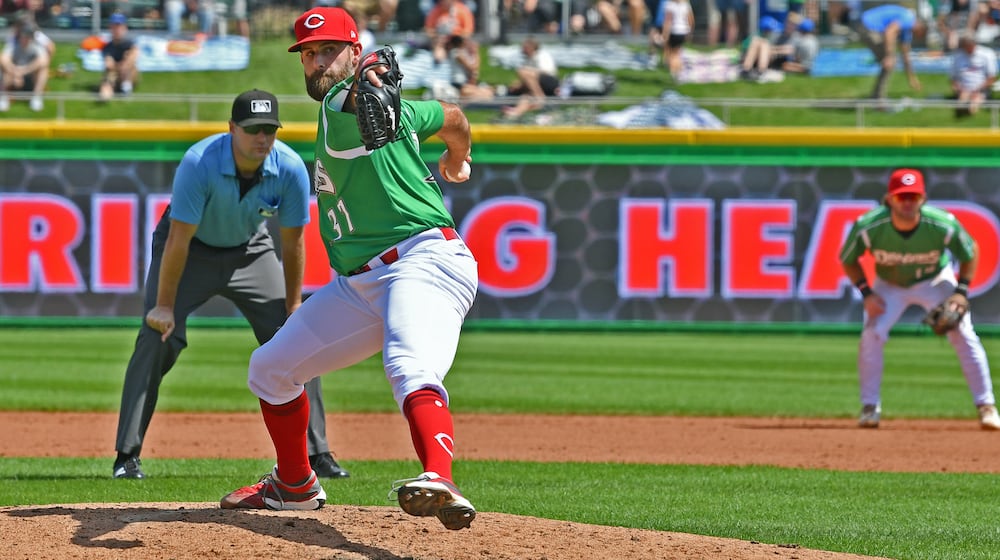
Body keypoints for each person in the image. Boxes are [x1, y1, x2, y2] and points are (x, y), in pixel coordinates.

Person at [220, 7, 479, 532]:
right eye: (309, 53)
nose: (316, 61)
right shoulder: (393, 112)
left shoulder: (349, 100)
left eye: (329, 50)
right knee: (269, 370)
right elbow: (451, 115)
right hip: (358, 284)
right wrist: (458, 154)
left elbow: (359, 97)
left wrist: (365, 85)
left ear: (355, 52)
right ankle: (294, 485)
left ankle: (441, 477)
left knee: (409, 365)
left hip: (423, 262)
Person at [113, 89, 349, 481]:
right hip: (191, 251)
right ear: (231, 129)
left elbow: (292, 241)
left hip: (250, 250)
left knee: (298, 335)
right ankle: (127, 454)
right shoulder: (199, 162)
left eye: (269, 129)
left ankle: (317, 452)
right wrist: (165, 307)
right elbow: (178, 240)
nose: (262, 138)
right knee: (156, 338)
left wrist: (293, 305)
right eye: (253, 128)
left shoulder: (289, 167)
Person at [839, 168, 1000, 431]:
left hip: (934, 280)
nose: (907, 203)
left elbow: (971, 251)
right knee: (872, 334)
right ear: (889, 199)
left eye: (913, 197)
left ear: (923, 199)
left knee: (963, 332)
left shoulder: (941, 223)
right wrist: (866, 293)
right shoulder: (868, 226)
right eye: (902, 197)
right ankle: (870, 407)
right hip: (888, 285)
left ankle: (987, 406)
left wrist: (961, 292)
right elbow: (847, 259)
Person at [856, 4, 924, 102]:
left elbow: (905, 56)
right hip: (868, 26)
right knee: (889, 63)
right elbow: (890, 32)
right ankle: (879, 101)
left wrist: (911, 78)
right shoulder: (908, 19)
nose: (915, 37)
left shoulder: (906, 30)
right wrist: (889, 56)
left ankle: (877, 98)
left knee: (889, 63)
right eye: (918, 35)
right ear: (920, 28)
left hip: (866, 25)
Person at [500, 36, 559, 121]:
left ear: (531, 47)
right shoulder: (528, 60)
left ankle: (539, 98)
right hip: (539, 85)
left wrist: (528, 72)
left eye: (524, 47)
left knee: (523, 72)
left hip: (550, 82)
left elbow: (548, 71)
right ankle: (516, 112)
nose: (522, 50)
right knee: (525, 97)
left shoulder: (542, 55)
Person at [0, 19, 48, 112]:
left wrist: (23, 71)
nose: (24, 39)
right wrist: (15, 72)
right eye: (23, 36)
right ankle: (3, 98)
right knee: (4, 69)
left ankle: (36, 98)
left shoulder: (36, 43)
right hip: (13, 74)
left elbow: (43, 60)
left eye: (27, 36)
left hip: (29, 74)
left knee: (43, 70)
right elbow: (4, 59)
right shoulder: (13, 42)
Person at [949, 30, 998, 117]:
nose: (967, 48)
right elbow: (953, 79)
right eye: (965, 46)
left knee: (973, 105)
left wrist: (978, 90)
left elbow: (992, 77)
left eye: (968, 46)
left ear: (974, 44)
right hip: (964, 90)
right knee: (961, 104)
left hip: (981, 89)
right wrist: (959, 89)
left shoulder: (986, 54)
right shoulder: (957, 56)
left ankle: (971, 113)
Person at [99, 13, 140, 102]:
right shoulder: (107, 47)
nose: (117, 30)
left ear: (124, 28)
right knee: (105, 93)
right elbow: (109, 64)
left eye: (119, 27)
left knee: (129, 62)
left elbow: (134, 56)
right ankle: (113, 89)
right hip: (114, 74)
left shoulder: (130, 44)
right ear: (111, 28)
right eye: (114, 27)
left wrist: (123, 63)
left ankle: (126, 87)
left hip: (127, 73)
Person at [424, 0, 477, 65]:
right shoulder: (435, 11)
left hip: (458, 43)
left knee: (463, 53)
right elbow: (429, 30)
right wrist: (437, 37)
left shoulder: (462, 10)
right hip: (441, 43)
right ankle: (439, 68)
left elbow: (468, 31)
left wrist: (455, 37)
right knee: (438, 53)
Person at [649, 0, 694, 76]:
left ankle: (673, 73)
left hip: (674, 31)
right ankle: (679, 72)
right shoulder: (686, 4)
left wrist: (664, 35)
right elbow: (691, 20)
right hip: (683, 31)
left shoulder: (669, 5)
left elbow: (667, 22)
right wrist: (689, 32)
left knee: (672, 54)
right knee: (677, 53)